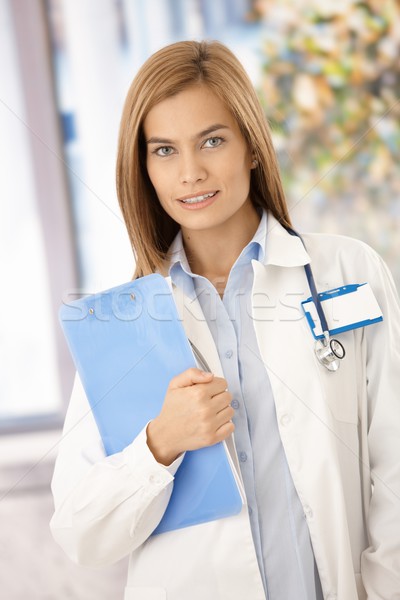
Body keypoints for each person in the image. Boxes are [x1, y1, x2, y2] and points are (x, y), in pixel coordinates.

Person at [50, 40, 400, 600]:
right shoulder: (122, 323)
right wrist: (159, 444)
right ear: (143, 166)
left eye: (212, 140)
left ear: (252, 148)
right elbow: (79, 531)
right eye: (164, 150)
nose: (190, 172)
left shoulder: (347, 270)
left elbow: (395, 462)